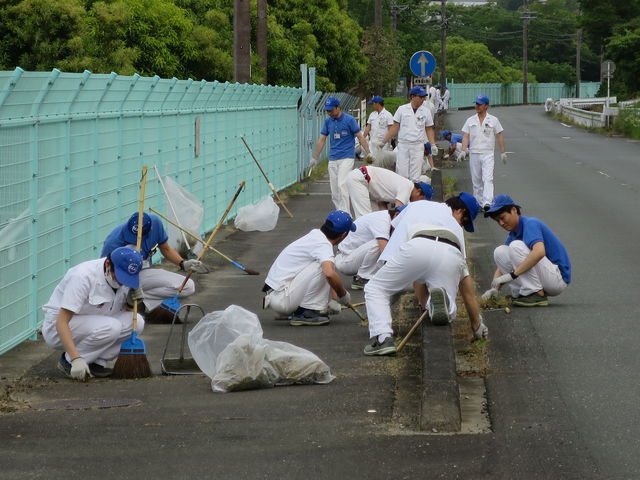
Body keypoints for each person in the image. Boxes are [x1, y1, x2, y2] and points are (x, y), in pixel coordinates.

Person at [363, 193, 487, 356]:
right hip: (450, 251)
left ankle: (383, 339)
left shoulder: (416, 205)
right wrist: (477, 324)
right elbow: (465, 281)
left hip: (418, 244)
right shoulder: (455, 228)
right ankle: (445, 305)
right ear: (459, 211)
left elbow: (393, 251)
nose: (462, 225)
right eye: (464, 220)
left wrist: (388, 293)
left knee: (375, 288)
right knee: (446, 309)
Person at [41, 246, 144, 380]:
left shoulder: (126, 276)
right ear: (108, 264)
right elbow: (61, 322)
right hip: (59, 328)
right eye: (119, 277)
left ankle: (96, 362)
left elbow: (122, 310)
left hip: (98, 322)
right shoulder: (83, 276)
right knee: (112, 327)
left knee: (137, 322)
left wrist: (131, 303)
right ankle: (69, 362)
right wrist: (75, 358)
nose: (121, 282)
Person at [101, 212, 207, 316]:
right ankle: (126, 300)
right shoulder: (113, 243)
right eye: (132, 237)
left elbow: (166, 249)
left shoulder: (155, 223)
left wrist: (183, 263)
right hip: (122, 279)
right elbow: (107, 275)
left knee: (188, 286)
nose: (136, 242)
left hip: (143, 272)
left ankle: (139, 299)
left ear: (150, 230)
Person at [263, 210, 354, 326]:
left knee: (326, 264)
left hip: (277, 295)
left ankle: (304, 308)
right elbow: (329, 274)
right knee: (324, 267)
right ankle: (308, 312)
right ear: (343, 234)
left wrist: (332, 300)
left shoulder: (316, 235)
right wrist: (343, 296)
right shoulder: (323, 245)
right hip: (282, 299)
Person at [481, 194, 571, 307]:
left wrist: (513, 275)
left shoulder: (530, 223)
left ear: (514, 210)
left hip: (557, 279)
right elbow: (503, 265)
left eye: (502, 217)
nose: (501, 223)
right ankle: (520, 294)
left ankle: (535, 293)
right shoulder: (513, 234)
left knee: (515, 246)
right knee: (500, 252)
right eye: (497, 220)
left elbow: (539, 252)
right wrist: (494, 289)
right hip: (546, 275)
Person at [310, 96, 372, 212]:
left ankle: (346, 215)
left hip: (347, 157)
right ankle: (340, 213)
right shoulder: (328, 121)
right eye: (327, 111)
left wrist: (368, 153)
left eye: (331, 110)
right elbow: (322, 139)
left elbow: (360, 137)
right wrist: (315, 158)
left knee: (342, 185)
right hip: (333, 158)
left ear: (338, 107)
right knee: (334, 190)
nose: (329, 113)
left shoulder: (349, 120)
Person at [459, 94, 507, 211]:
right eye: (476, 104)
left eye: (480, 104)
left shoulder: (493, 120)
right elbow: (466, 136)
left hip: (487, 153)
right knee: (476, 181)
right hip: (474, 153)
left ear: (486, 106)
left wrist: (502, 152)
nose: (477, 106)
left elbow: (499, 135)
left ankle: (487, 202)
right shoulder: (470, 120)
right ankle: (478, 203)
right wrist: (463, 150)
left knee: (488, 178)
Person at [335, 207, 401, 290]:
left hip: (351, 256)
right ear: (397, 215)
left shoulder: (387, 218)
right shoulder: (382, 220)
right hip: (344, 260)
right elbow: (384, 250)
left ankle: (367, 275)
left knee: (387, 246)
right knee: (379, 244)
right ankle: (362, 278)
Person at [346, 165, 433, 219]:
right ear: (418, 191)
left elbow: (382, 206)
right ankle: (348, 246)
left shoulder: (405, 186)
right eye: (422, 199)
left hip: (365, 183)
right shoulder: (407, 187)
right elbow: (397, 213)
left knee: (375, 220)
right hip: (361, 179)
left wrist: (386, 220)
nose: (419, 202)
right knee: (365, 218)